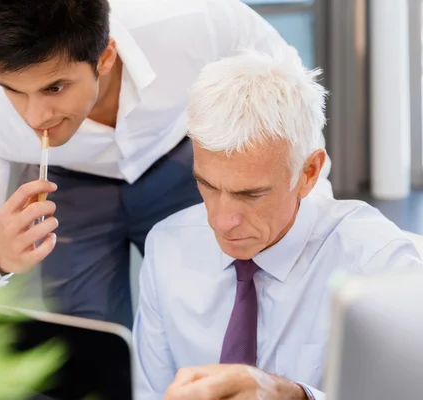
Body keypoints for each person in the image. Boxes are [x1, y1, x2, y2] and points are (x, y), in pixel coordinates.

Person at [0, 0, 333, 329]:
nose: (35, 116)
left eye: (55, 87)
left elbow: (293, 93)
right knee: (88, 346)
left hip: (181, 160)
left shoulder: (193, 18)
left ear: (105, 56)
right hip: (67, 190)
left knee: (217, 319)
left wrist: (306, 214)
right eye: (14, 91)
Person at [131, 48, 423, 399]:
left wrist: (297, 397)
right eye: (207, 186)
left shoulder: (377, 264)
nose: (222, 221)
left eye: (251, 194)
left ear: (309, 173)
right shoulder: (167, 246)